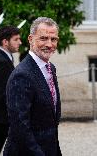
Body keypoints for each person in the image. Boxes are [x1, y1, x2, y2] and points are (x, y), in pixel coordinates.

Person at [4, 17, 62, 156]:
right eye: (43, 38)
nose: (49, 44)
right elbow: (20, 127)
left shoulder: (50, 68)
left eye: (53, 39)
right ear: (30, 39)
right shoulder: (22, 75)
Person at [0, 26, 21, 156]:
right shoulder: (2, 62)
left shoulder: (4, 57)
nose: (20, 42)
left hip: (1, 114)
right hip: (3, 115)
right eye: (16, 39)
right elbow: (3, 93)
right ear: (5, 42)